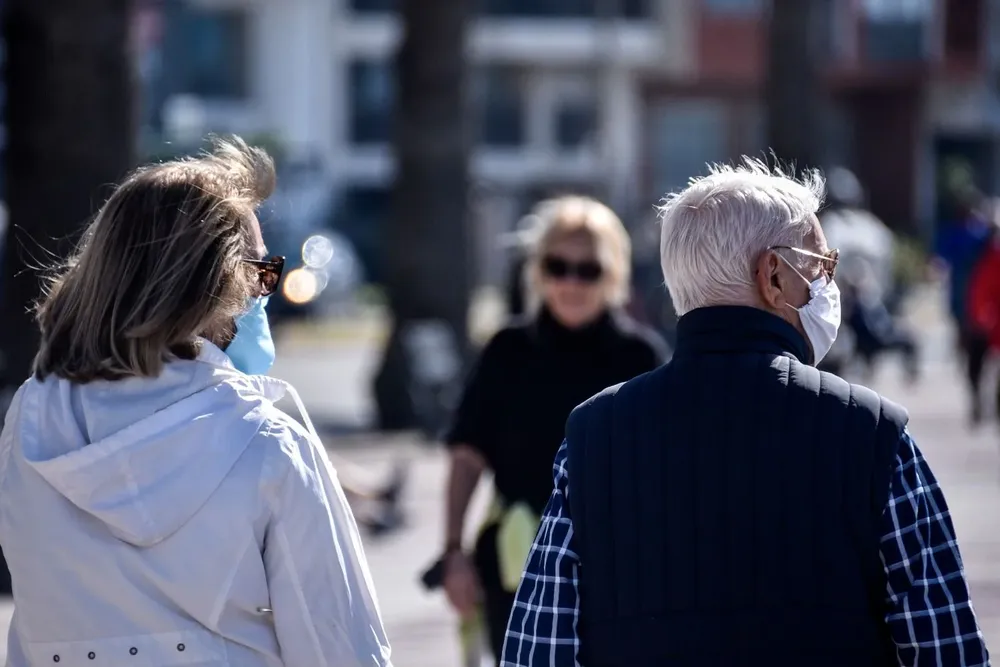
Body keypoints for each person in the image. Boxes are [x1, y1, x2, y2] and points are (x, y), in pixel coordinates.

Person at [503, 160, 989, 667]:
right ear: (773, 275)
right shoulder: (874, 435)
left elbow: (539, 648)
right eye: (821, 265)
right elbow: (946, 647)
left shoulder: (591, 438)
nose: (828, 284)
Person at [0, 138, 391, 667]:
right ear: (218, 285)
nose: (264, 294)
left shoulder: (29, 422)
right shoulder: (269, 447)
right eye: (261, 272)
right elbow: (342, 650)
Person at [442, 195, 668, 665]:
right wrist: (453, 553)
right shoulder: (507, 350)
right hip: (513, 564)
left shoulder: (640, 358)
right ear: (538, 269)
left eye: (588, 270)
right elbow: (467, 456)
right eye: (558, 265)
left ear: (614, 274)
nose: (571, 281)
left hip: (619, 569)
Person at [934, 194, 993, 425]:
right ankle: (977, 392)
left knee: (976, 351)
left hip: (977, 301)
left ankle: (979, 391)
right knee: (976, 350)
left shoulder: (978, 233)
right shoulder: (966, 233)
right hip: (966, 301)